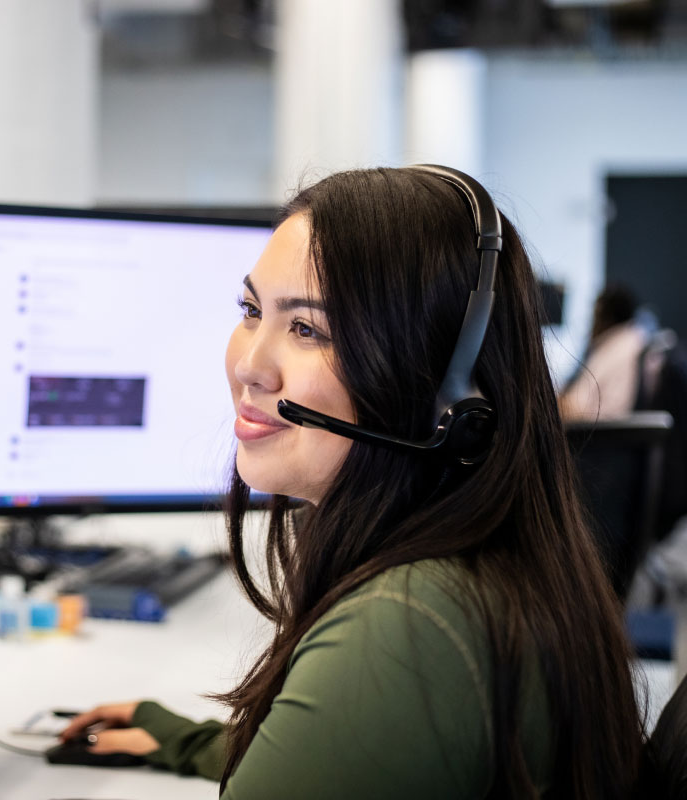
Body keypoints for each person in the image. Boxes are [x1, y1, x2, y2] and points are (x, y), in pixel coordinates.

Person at [60, 166, 644, 798]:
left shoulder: (406, 630)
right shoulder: (478, 574)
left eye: (307, 328)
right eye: (252, 310)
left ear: (441, 398)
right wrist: (192, 742)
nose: (250, 366)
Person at [558, 283, 651, 421]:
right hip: (599, 430)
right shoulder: (630, 341)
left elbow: (576, 409)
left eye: (595, 314)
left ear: (606, 316)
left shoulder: (615, 351)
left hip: (594, 433)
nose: (592, 322)